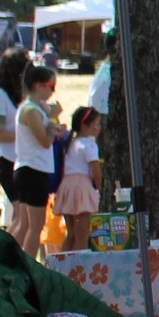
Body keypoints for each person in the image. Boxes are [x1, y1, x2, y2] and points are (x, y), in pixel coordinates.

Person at [7, 63, 59, 259]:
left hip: (30, 169)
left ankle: (8, 261)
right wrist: (53, 120)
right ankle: (26, 266)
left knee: (25, 223)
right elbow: (45, 141)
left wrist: (53, 123)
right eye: (50, 86)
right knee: (35, 226)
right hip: (33, 170)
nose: (52, 92)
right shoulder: (31, 110)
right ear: (38, 85)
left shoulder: (36, 109)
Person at [54, 107, 104, 252]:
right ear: (85, 125)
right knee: (82, 235)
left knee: (71, 234)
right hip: (82, 187)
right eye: (96, 124)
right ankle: (80, 269)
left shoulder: (71, 143)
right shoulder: (89, 144)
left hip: (67, 186)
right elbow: (95, 169)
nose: (98, 128)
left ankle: (62, 267)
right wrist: (98, 188)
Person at [0, 47, 28, 210]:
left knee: (26, 217)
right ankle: (6, 237)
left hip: (21, 159)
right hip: (6, 159)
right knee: (21, 215)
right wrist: (27, 133)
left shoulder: (20, 96)